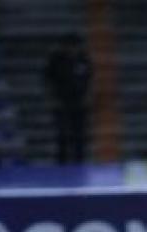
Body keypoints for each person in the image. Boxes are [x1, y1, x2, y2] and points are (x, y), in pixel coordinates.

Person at [44, 32, 91, 164]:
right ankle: (62, 162)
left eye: (75, 46)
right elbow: (48, 80)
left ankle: (80, 162)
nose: (73, 49)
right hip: (61, 101)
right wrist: (52, 98)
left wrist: (87, 96)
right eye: (70, 46)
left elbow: (89, 79)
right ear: (64, 47)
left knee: (79, 134)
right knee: (62, 134)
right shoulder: (55, 60)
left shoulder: (83, 59)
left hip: (79, 102)